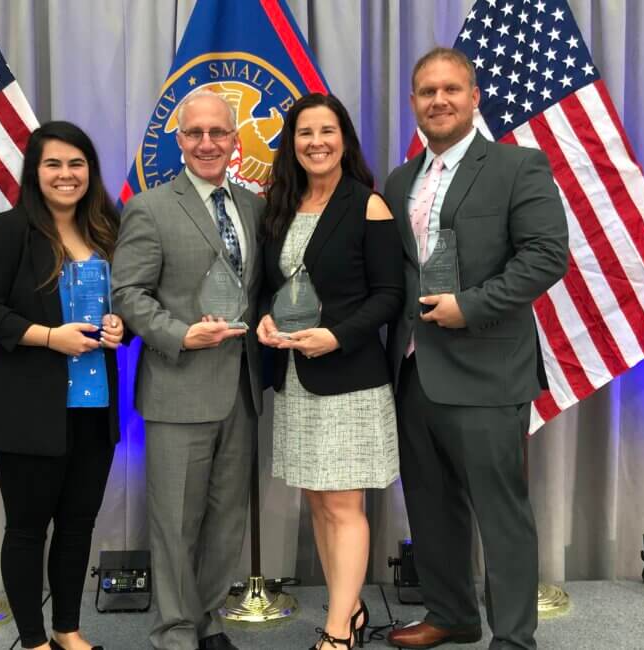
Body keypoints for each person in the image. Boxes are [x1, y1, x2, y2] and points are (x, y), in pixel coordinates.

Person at [384, 48, 568, 650]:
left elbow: (546, 256)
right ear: (413, 102)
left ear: (473, 97)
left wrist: (471, 305)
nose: (439, 100)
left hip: (488, 368)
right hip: (414, 369)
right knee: (431, 505)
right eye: (426, 91)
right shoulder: (400, 180)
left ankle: (513, 637)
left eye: (451, 89)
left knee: (500, 511)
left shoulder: (518, 166)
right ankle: (452, 614)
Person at [0, 120, 126, 650]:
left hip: (93, 407)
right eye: (53, 163)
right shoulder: (8, 230)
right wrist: (50, 337)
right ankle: (34, 641)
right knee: (28, 529)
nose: (66, 174)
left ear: (90, 171)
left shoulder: (107, 229)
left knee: (78, 527)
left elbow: (127, 302)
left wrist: (122, 325)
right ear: (34, 172)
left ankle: (67, 631)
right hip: (28, 410)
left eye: (77, 163)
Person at [112, 89, 264, 650]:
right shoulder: (150, 207)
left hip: (242, 390)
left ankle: (209, 621)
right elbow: (128, 293)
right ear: (179, 140)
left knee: (227, 521)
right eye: (195, 132)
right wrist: (180, 334)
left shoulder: (253, 206)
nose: (206, 142)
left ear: (234, 140)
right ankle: (175, 633)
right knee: (175, 523)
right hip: (177, 390)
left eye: (217, 132)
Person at [255, 93, 403, 650]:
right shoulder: (281, 205)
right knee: (318, 501)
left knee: (343, 505)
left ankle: (339, 632)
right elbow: (272, 285)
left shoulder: (368, 205)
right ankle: (353, 609)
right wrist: (266, 319)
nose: (316, 142)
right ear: (291, 143)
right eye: (304, 133)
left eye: (327, 131)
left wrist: (337, 335)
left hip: (350, 380)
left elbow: (389, 295)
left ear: (344, 139)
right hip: (295, 378)